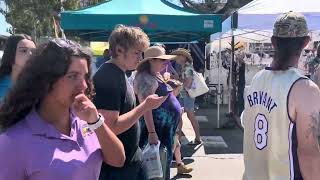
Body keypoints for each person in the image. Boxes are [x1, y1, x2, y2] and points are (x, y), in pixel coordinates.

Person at [0, 38, 125, 179]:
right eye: (72, 76)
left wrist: (96, 121)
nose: (84, 85)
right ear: (46, 81)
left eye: (85, 76)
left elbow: (118, 160)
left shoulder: (85, 122)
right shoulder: (14, 142)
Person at [242, 11, 320, 180]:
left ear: (273, 42)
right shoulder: (305, 89)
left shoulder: (256, 80)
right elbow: (309, 154)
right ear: (306, 42)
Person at [93, 25, 167, 180]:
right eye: (136, 53)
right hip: (118, 168)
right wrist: (145, 106)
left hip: (129, 160)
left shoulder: (119, 73)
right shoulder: (109, 77)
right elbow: (109, 127)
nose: (140, 59)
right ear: (119, 50)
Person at [134, 46, 182, 179]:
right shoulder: (145, 78)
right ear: (151, 61)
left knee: (163, 165)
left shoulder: (156, 75)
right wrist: (151, 132)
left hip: (164, 131)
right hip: (156, 130)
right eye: (162, 60)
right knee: (155, 170)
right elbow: (146, 108)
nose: (165, 63)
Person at [171, 48, 202, 145]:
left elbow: (188, 84)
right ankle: (195, 138)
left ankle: (181, 139)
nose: (176, 57)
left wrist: (178, 80)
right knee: (187, 115)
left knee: (185, 115)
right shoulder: (185, 67)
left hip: (186, 95)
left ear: (183, 57)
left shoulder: (187, 68)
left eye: (178, 55)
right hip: (185, 95)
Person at [0, 34, 36, 101]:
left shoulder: (39, 84)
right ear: (11, 54)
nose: (31, 54)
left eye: (34, 51)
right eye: (24, 51)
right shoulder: (2, 85)